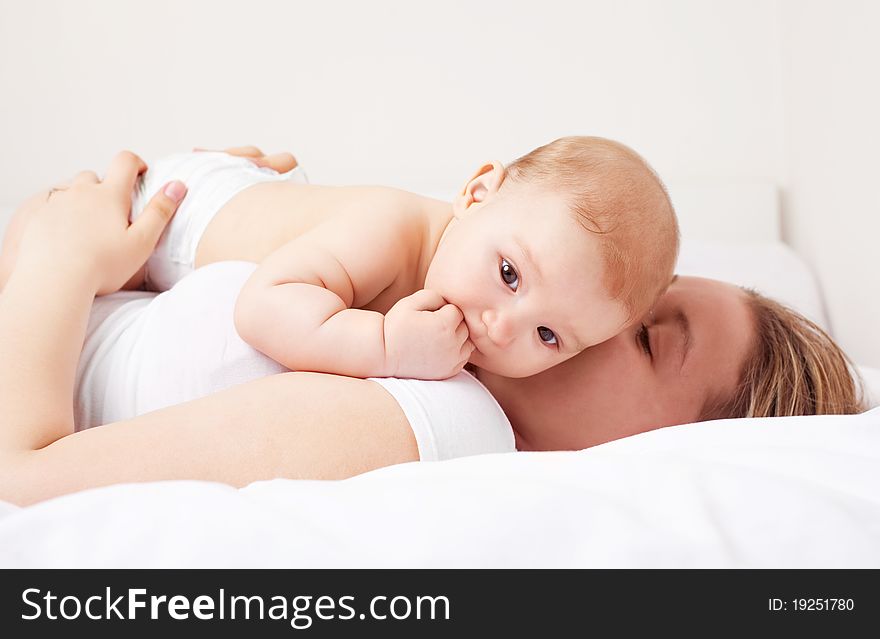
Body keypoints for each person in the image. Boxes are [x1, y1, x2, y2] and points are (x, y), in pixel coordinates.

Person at [0, 151, 864, 507]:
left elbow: (21, 477)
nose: (607, 309)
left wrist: (58, 260)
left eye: (644, 332)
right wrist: (201, 217)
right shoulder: (426, 330)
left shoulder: (431, 418)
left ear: (672, 448)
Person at [122, 136, 679, 381]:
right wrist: (387, 347)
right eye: (509, 274)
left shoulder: (474, 291)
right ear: (476, 193)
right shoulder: (388, 230)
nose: (503, 329)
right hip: (183, 212)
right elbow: (261, 308)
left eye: (550, 336)